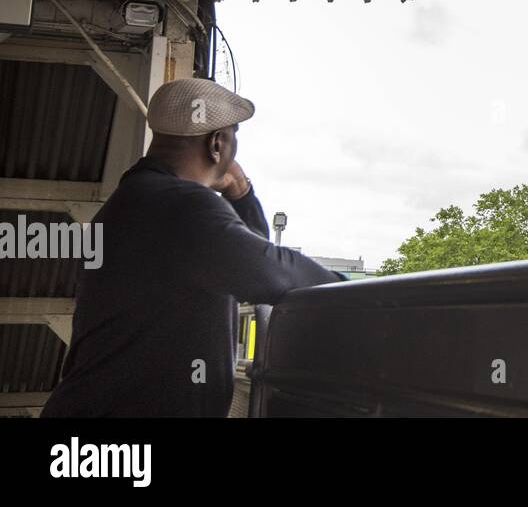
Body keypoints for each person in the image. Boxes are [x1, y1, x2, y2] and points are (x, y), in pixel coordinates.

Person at [40, 77, 344, 417]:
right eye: (234, 137)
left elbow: (247, 257)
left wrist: (240, 193)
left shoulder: (133, 202)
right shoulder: (181, 206)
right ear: (217, 144)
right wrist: (354, 292)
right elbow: (272, 272)